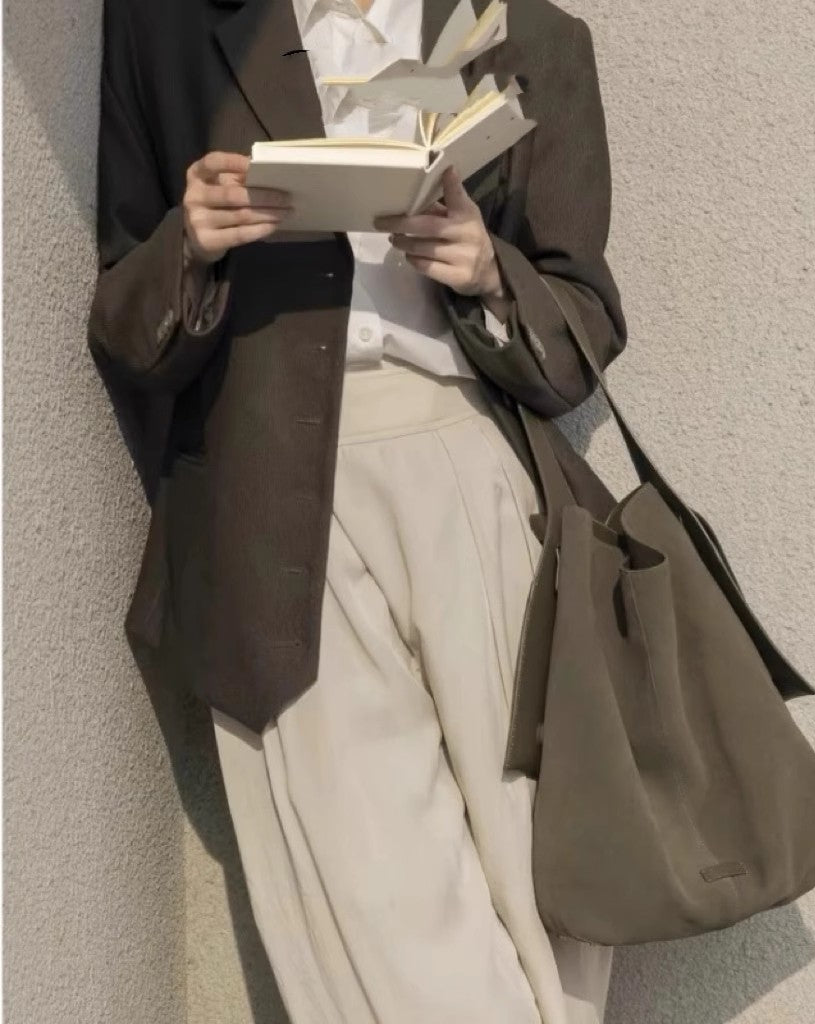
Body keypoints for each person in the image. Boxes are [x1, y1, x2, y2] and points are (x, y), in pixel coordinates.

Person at [88, 0, 627, 1020]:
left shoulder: (531, 38)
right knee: (375, 900)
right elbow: (124, 321)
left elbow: (581, 327)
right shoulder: (165, 27)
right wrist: (189, 245)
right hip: (269, 495)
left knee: (549, 885)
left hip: (472, 477)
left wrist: (483, 269)